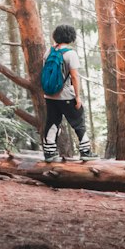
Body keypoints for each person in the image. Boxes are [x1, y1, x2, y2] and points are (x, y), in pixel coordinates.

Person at [40, 23, 92, 163]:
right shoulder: (70, 54)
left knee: (52, 122)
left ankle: (49, 152)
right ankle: (85, 151)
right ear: (71, 37)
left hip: (50, 95)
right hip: (66, 95)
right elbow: (74, 76)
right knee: (78, 121)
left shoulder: (49, 52)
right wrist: (78, 96)